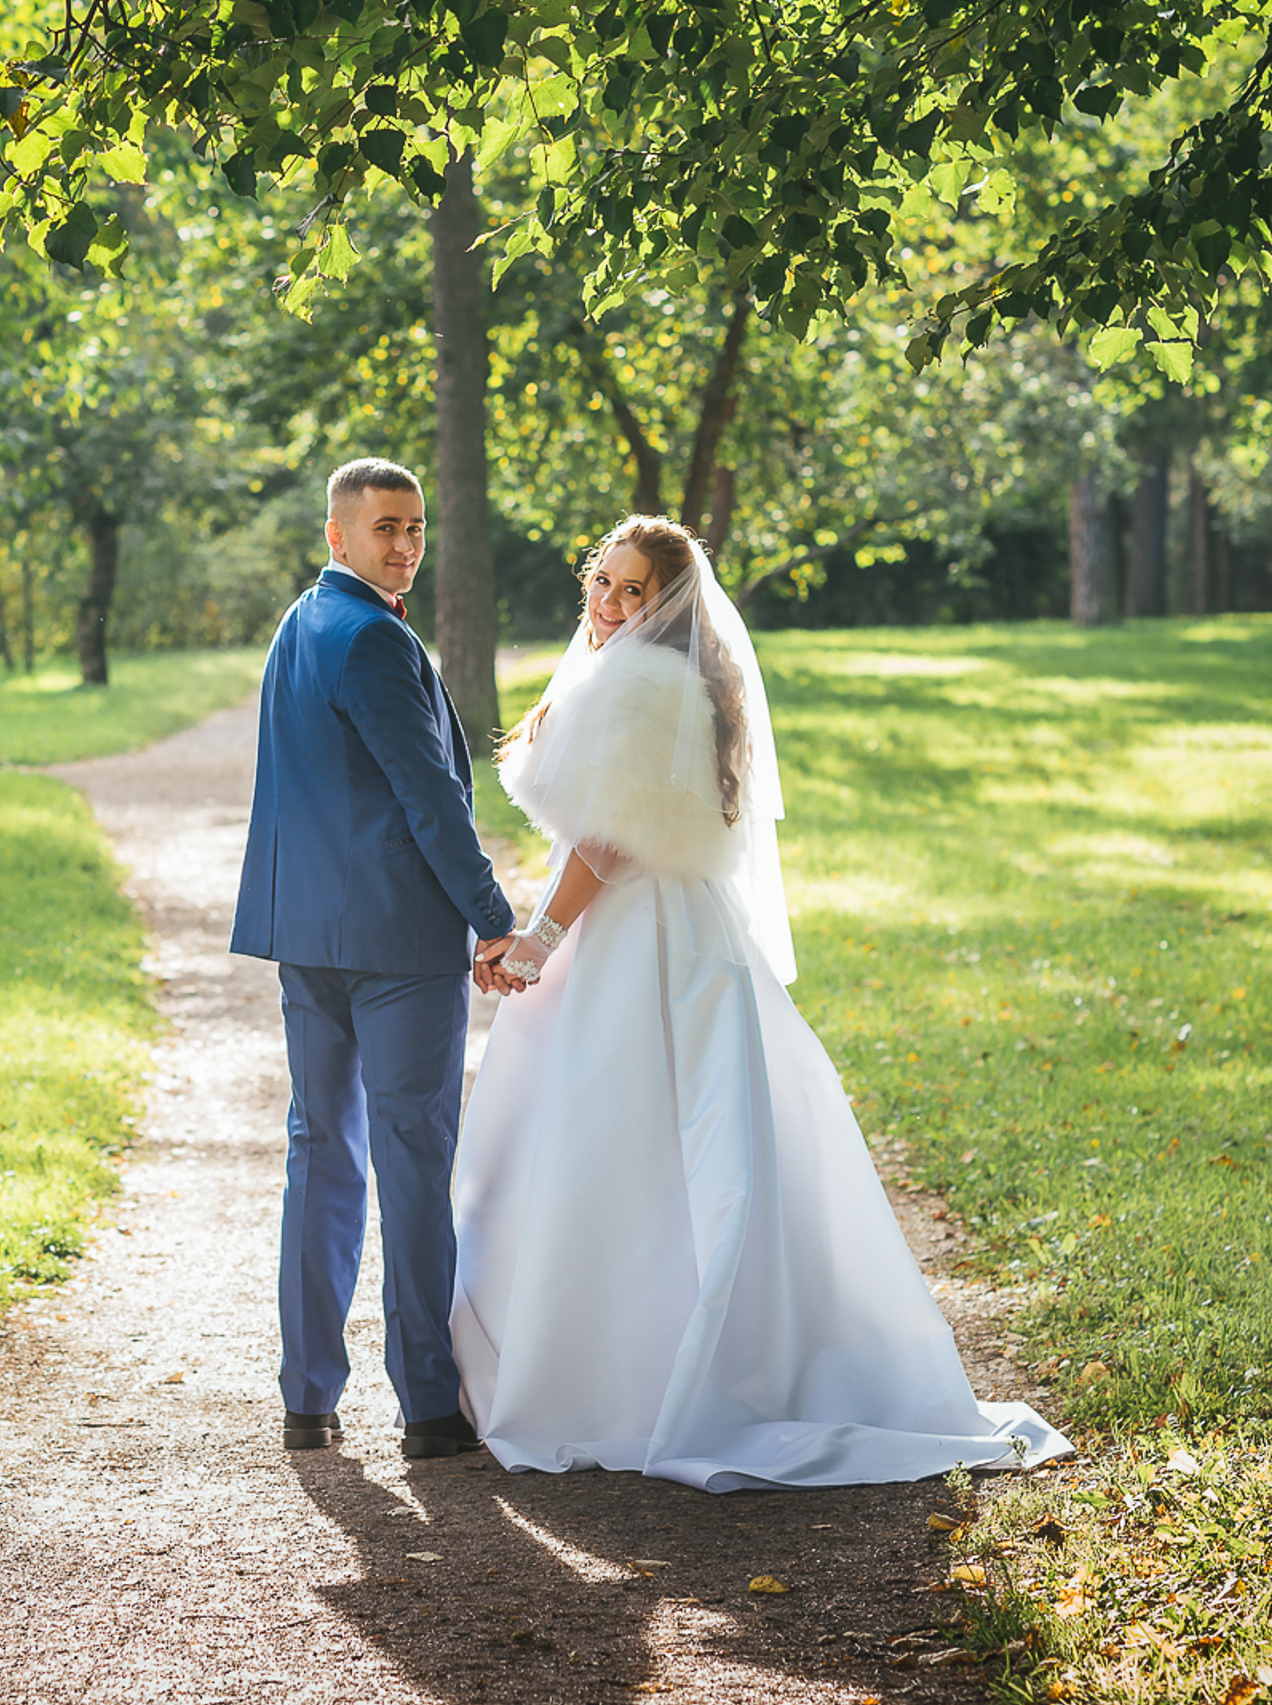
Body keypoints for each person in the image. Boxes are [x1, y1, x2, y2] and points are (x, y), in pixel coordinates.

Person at [450, 513, 1072, 1488]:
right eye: (602, 584)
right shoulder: (664, 676)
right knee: (666, 1143)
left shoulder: (647, 686)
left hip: (641, 934)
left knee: (625, 1141)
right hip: (657, 924)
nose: (611, 605)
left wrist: (540, 938)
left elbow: (609, 843)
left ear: (671, 604)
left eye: (634, 590)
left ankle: (625, 1377)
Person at [232, 459, 519, 1460]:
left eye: (415, 526)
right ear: (337, 536)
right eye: (385, 526)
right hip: (397, 944)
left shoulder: (299, 626)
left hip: (307, 935)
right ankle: (430, 1409)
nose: (404, 543)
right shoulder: (374, 641)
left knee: (320, 1153)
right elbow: (430, 800)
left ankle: (307, 1399)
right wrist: (493, 917)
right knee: (408, 1161)